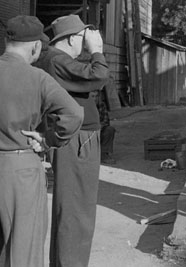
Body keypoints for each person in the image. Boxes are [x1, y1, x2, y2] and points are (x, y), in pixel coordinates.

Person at [0, 15, 83, 267]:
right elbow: (74, 113)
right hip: (19, 168)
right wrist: (47, 139)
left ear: (6, 40)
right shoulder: (37, 78)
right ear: (36, 47)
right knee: (23, 250)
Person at [35, 14, 109, 267]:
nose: (86, 43)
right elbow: (99, 75)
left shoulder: (55, 60)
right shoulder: (58, 60)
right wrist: (97, 50)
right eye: (82, 38)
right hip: (78, 140)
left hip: (79, 138)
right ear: (70, 39)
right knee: (78, 209)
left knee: (72, 207)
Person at [95, 88, 117, 164]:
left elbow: (106, 121)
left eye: (96, 96)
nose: (94, 98)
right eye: (92, 96)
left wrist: (99, 127)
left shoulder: (101, 104)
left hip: (99, 129)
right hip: (88, 132)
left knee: (110, 130)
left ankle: (104, 154)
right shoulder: (85, 106)